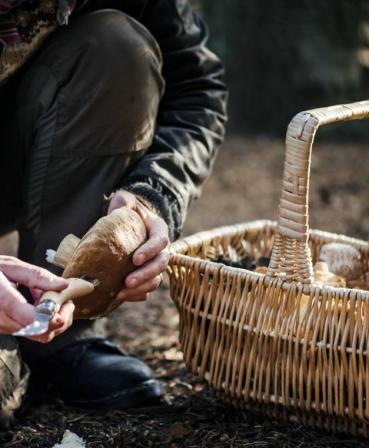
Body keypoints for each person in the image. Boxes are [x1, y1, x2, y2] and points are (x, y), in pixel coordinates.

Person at [0, 0, 227, 422]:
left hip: (24, 140)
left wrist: (153, 195)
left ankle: (58, 330)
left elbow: (196, 89)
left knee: (116, 47)